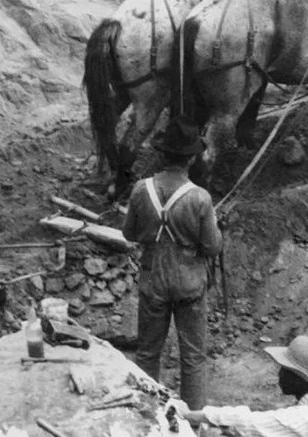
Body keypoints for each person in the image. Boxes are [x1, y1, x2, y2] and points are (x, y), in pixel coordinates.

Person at [121, 115, 223, 411]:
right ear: (192, 159)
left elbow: (129, 233)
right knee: (193, 357)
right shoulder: (200, 198)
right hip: (190, 282)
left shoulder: (142, 189)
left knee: (148, 353)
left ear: (162, 154)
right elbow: (212, 246)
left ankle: (148, 416)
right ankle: (194, 423)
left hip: (153, 280)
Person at [168, 335, 308, 436]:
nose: (279, 374)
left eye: (285, 370)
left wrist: (191, 415)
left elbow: (250, 422)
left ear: (299, 379)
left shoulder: (303, 417)